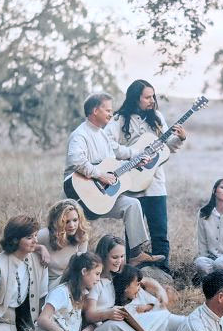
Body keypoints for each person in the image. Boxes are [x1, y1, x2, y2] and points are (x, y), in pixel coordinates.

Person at [64, 92, 162, 267]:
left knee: (132, 204)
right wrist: (100, 175)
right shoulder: (80, 134)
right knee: (76, 244)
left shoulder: (102, 135)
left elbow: (114, 163)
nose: (111, 113)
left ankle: (135, 254)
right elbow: (76, 160)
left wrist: (136, 160)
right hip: (81, 197)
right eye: (107, 110)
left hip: (101, 197)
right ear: (95, 110)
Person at [106, 80, 187, 272]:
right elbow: (107, 144)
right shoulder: (119, 119)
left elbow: (166, 149)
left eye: (153, 96)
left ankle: (163, 272)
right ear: (136, 98)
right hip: (131, 183)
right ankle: (131, 273)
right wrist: (132, 153)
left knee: (159, 231)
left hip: (156, 183)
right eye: (147, 97)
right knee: (133, 233)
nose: (152, 100)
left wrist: (180, 138)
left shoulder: (157, 117)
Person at [85, 235, 177, 331]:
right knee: (113, 325)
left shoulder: (117, 273)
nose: (119, 261)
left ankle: (179, 328)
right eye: (114, 257)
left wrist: (159, 290)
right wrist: (108, 313)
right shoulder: (95, 281)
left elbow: (145, 281)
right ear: (103, 257)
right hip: (104, 325)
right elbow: (89, 315)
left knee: (139, 293)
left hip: (122, 320)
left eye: (122, 256)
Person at [36, 252, 105, 331]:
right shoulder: (61, 292)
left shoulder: (83, 294)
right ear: (84, 272)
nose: (99, 279)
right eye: (97, 274)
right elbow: (42, 319)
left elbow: (90, 321)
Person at [111, 264, 185, 331]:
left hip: (164, 321)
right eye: (137, 284)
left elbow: (153, 301)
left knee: (185, 322)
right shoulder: (120, 307)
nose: (139, 287)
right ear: (126, 287)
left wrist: (148, 306)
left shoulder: (138, 293)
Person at [37, 199, 90, 291]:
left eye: (75, 220)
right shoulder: (45, 235)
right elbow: (22, 244)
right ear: (57, 222)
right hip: (47, 285)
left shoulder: (81, 236)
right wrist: (40, 247)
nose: (72, 225)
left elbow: (81, 267)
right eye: (66, 221)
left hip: (70, 283)